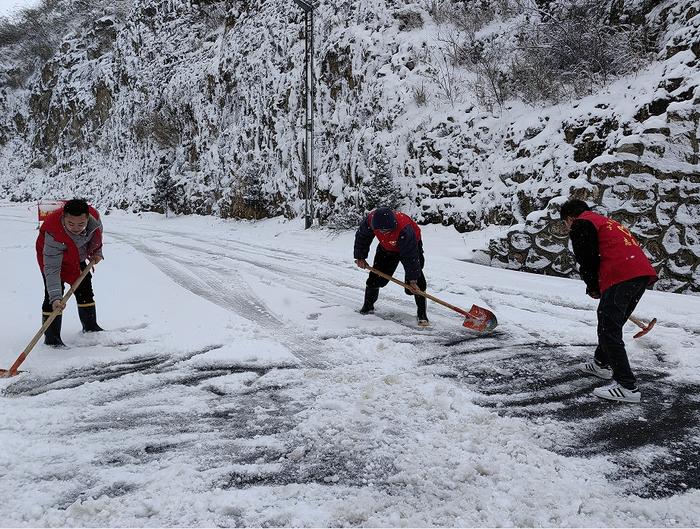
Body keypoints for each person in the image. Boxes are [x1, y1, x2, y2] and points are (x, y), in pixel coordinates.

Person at [560, 199, 657, 403]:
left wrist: (593, 286)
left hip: (620, 274)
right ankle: (600, 363)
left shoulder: (582, 223)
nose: (567, 227)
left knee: (608, 328)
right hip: (639, 273)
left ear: (569, 218)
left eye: (565, 223)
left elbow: (587, 258)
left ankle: (627, 386)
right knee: (612, 322)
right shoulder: (604, 221)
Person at [36, 198, 104, 347]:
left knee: (85, 288)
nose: (76, 228)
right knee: (53, 296)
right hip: (51, 259)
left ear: (87, 217)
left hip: (77, 256)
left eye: (81, 224)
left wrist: (97, 252)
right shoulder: (53, 232)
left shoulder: (94, 219)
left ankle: (91, 327)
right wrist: (55, 298)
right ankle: (52, 340)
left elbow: (96, 238)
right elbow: (52, 269)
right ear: (64, 217)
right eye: (71, 224)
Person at [353, 207, 429, 326]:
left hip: (411, 246)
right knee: (375, 278)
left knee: (417, 281)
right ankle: (368, 306)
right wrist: (360, 257)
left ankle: (422, 314)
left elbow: (410, 257)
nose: (383, 233)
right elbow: (362, 237)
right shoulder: (370, 220)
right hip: (387, 248)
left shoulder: (405, 228)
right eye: (381, 231)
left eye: (387, 231)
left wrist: (412, 279)